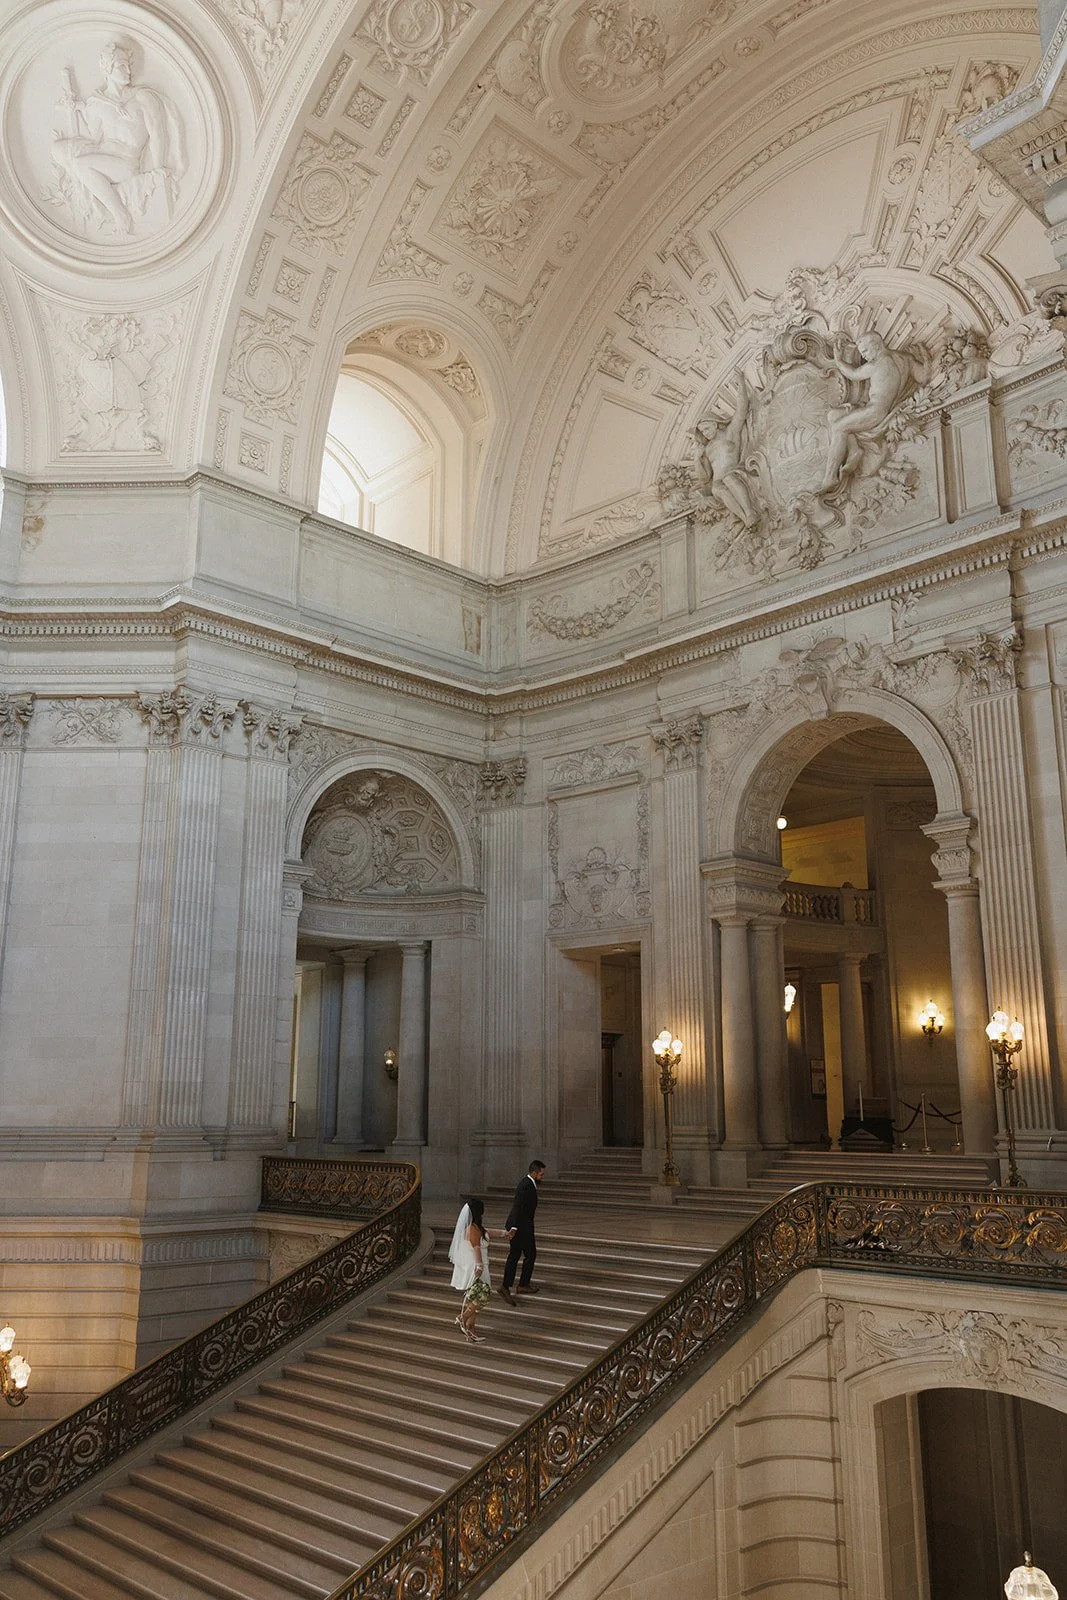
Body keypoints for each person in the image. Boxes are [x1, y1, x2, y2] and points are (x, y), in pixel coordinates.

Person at [447, 1197, 511, 1344]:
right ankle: (463, 1317)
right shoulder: (472, 1229)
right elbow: (476, 1248)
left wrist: (505, 1233)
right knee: (483, 1294)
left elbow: (488, 1232)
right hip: (477, 1265)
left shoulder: (477, 1228)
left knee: (474, 1296)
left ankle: (471, 1328)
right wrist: (480, 1267)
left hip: (480, 1265)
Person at [498, 1160, 545, 1306]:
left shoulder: (528, 1183)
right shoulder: (526, 1185)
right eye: (541, 1174)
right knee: (529, 1254)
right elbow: (518, 1207)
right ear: (534, 1173)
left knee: (515, 1255)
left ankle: (511, 1285)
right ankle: (516, 1285)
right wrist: (514, 1227)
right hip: (521, 1227)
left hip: (521, 1226)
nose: (542, 1177)